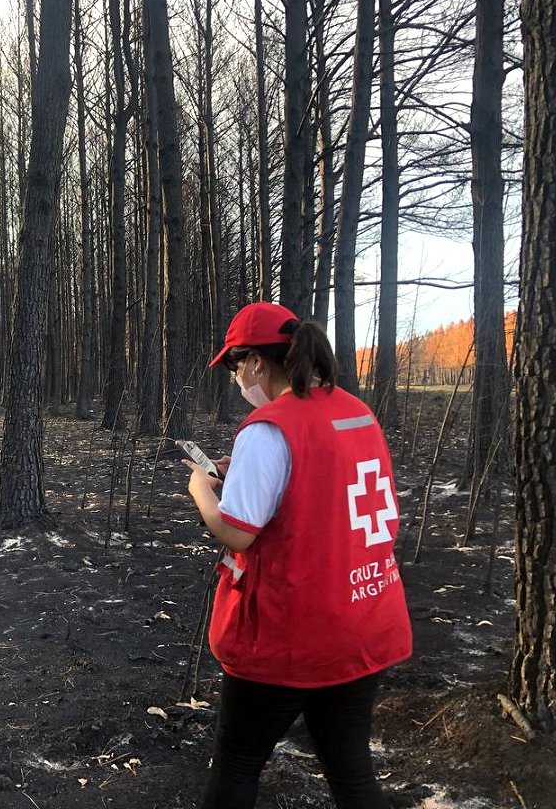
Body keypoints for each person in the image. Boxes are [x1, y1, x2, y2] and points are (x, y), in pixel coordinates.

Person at [182, 301, 412, 809]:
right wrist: (243, 473)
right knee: (351, 772)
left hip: (290, 633)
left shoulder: (269, 427)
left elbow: (238, 533)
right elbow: (318, 490)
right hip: (363, 619)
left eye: (235, 365)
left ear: (258, 363)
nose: (236, 378)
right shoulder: (356, 411)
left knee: (238, 765)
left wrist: (203, 487)